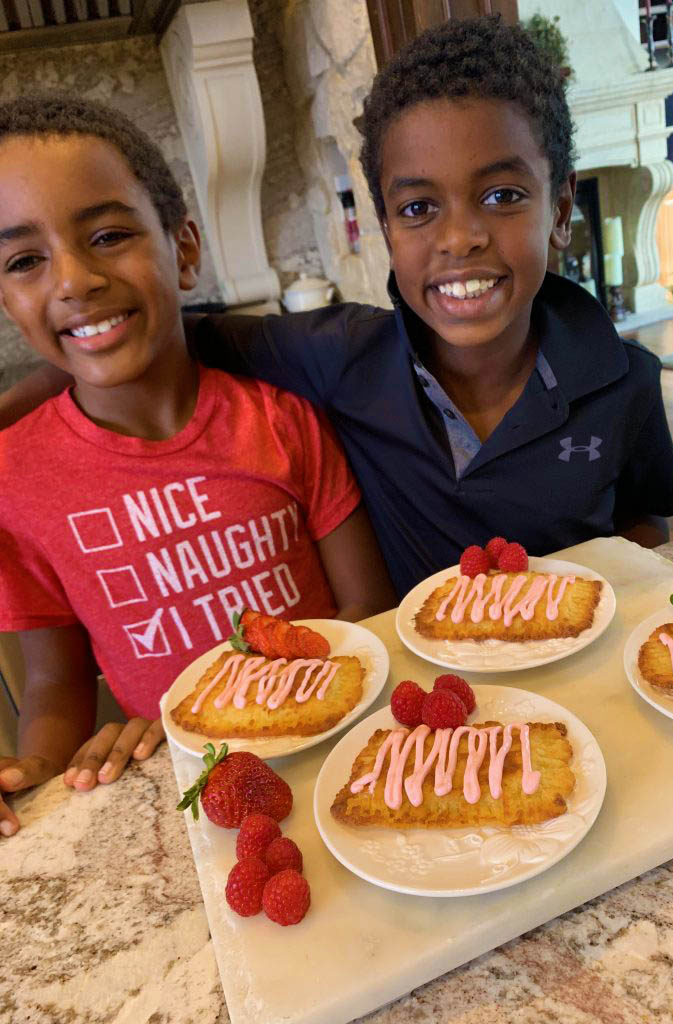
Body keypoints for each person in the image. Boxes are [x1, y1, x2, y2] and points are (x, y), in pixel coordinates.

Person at [0, 17, 673, 601]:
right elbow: (162, 335)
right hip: (426, 715)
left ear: (561, 211)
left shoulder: (627, 380)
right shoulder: (337, 358)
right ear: (386, 227)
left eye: (503, 196)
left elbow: (647, 522)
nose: (460, 237)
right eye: (417, 209)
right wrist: (41, 381)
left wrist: (615, 596)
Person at [0, 95, 395, 839]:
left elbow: (366, 612)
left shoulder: (283, 420)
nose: (74, 280)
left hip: (339, 757)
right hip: (193, 801)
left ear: (184, 248)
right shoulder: (14, 477)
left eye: (109, 235)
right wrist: (39, 783)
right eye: (25, 260)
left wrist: (263, 720)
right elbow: (54, 679)